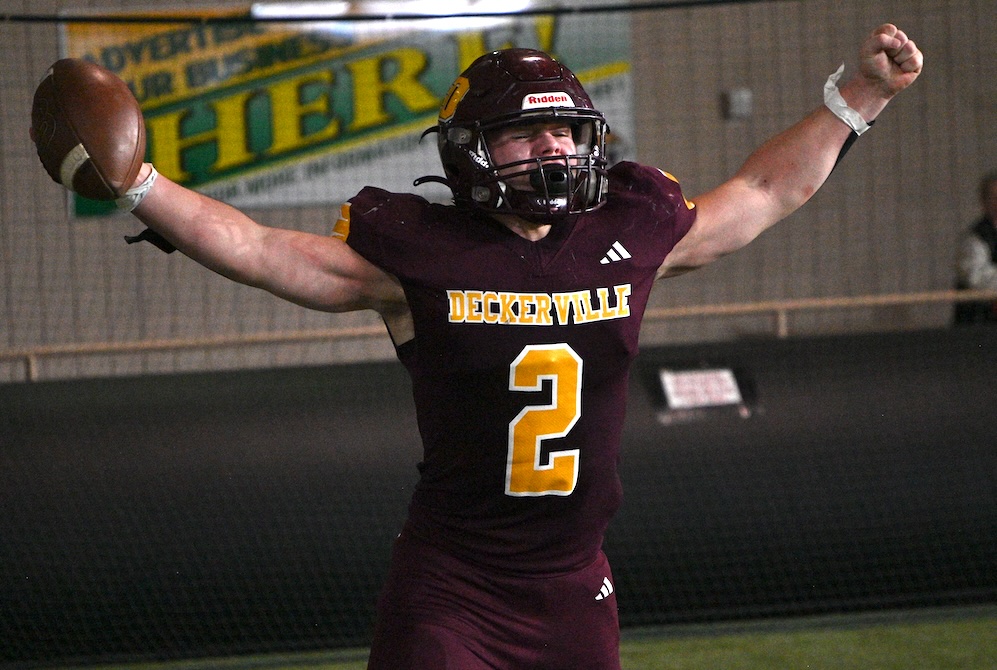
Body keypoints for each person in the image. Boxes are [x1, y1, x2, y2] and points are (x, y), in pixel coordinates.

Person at [36, 23, 921, 670]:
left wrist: (860, 95)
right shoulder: (420, 254)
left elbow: (763, 190)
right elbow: (263, 250)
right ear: (472, 152)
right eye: (524, 131)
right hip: (453, 592)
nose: (553, 146)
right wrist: (141, 186)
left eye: (565, 130)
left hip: (577, 584)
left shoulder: (631, 230)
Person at [954, 171, 997, 324]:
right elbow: (976, 278)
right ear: (984, 202)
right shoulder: (974, 239)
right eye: (993, 197)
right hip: (980, 322)